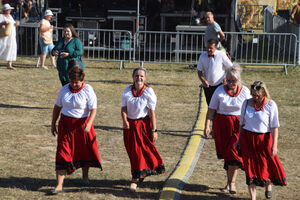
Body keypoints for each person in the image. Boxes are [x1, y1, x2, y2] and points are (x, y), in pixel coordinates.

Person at [50, 66, 102, 194]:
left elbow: (93, 109)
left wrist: (89, 123)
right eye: (72, 81)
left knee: (84, 151)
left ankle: (85, 177)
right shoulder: (64, 90)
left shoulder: (88, 90)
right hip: (66, 126)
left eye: (76, 82)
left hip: (83, 126)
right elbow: (57, 107)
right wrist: (53, 123)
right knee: (62, 152)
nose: (74, 84)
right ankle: (59, 185)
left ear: (82, 80)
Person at [204, 64, 251, 194]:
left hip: (238, 126)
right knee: (227, 156)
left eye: (234, 81)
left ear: (238, 80)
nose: (231, 83)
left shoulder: (245, 92)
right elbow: (211, 110)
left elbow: (250, 109)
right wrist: (207, 125)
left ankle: (232, 184)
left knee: (233, 153)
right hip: (222, 125)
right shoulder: (219, 91)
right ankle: (228, 183)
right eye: (229, 80)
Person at [238, 81, 287, 200]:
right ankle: (253, 198)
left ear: (264, 93)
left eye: (258, 96)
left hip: (264, 139)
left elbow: (274, 127)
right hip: (247, 139)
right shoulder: (246, 103)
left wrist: (274, 145)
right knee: (249, 167)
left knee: (266, 165)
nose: (255, 98)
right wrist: (239, 140)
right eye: (253, 95)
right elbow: (241, 123)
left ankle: (268, 184)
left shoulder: (271, 105)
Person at [121, 67, 166, 191]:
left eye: (141, 76)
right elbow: (124, 108)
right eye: (137, 75)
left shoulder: (148, 92)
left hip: (143, 126)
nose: (139, 78)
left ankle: (134, 179)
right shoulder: (127, 91)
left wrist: (154, 130)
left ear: (145, 78)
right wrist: (124, 120)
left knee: (139, 152)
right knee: (132, 152)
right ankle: (140, 172)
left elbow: (152, 113)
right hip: (130, 126)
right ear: (133, 77)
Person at [197, 38, 232, 105]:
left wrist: (226, 79)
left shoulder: (221, 55)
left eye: (211, 48)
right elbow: (199, 71)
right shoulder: (202, 56)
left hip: (220, 84)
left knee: (221, 105)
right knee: (210, 105)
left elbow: (231, 67)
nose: (208, 50)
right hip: (208, 86)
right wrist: (203, 81)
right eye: (207, 47)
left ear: (216, 47)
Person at [0, 3, 19, 70]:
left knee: (11, 49)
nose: (10, 11)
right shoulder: (1, 16)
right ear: (5, 10)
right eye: (8, 9)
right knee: (1, 47)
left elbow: (13, 24)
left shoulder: (10, 16)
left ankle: (9, 65)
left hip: (11, 37)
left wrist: (16, 23)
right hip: (3, 36)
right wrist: (3, 23)